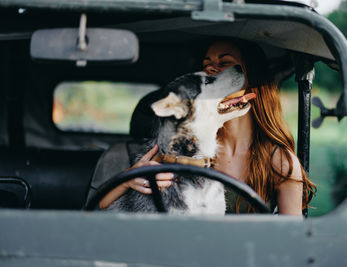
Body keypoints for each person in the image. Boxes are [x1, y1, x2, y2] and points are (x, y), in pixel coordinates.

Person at [94, 39, 316, 215]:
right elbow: (102, 206)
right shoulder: (185, 152)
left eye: (225, 63)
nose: (212, 68)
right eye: (207, 64)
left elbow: (292, 239)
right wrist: (129, 179)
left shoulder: (280, 161)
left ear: (249, 78)